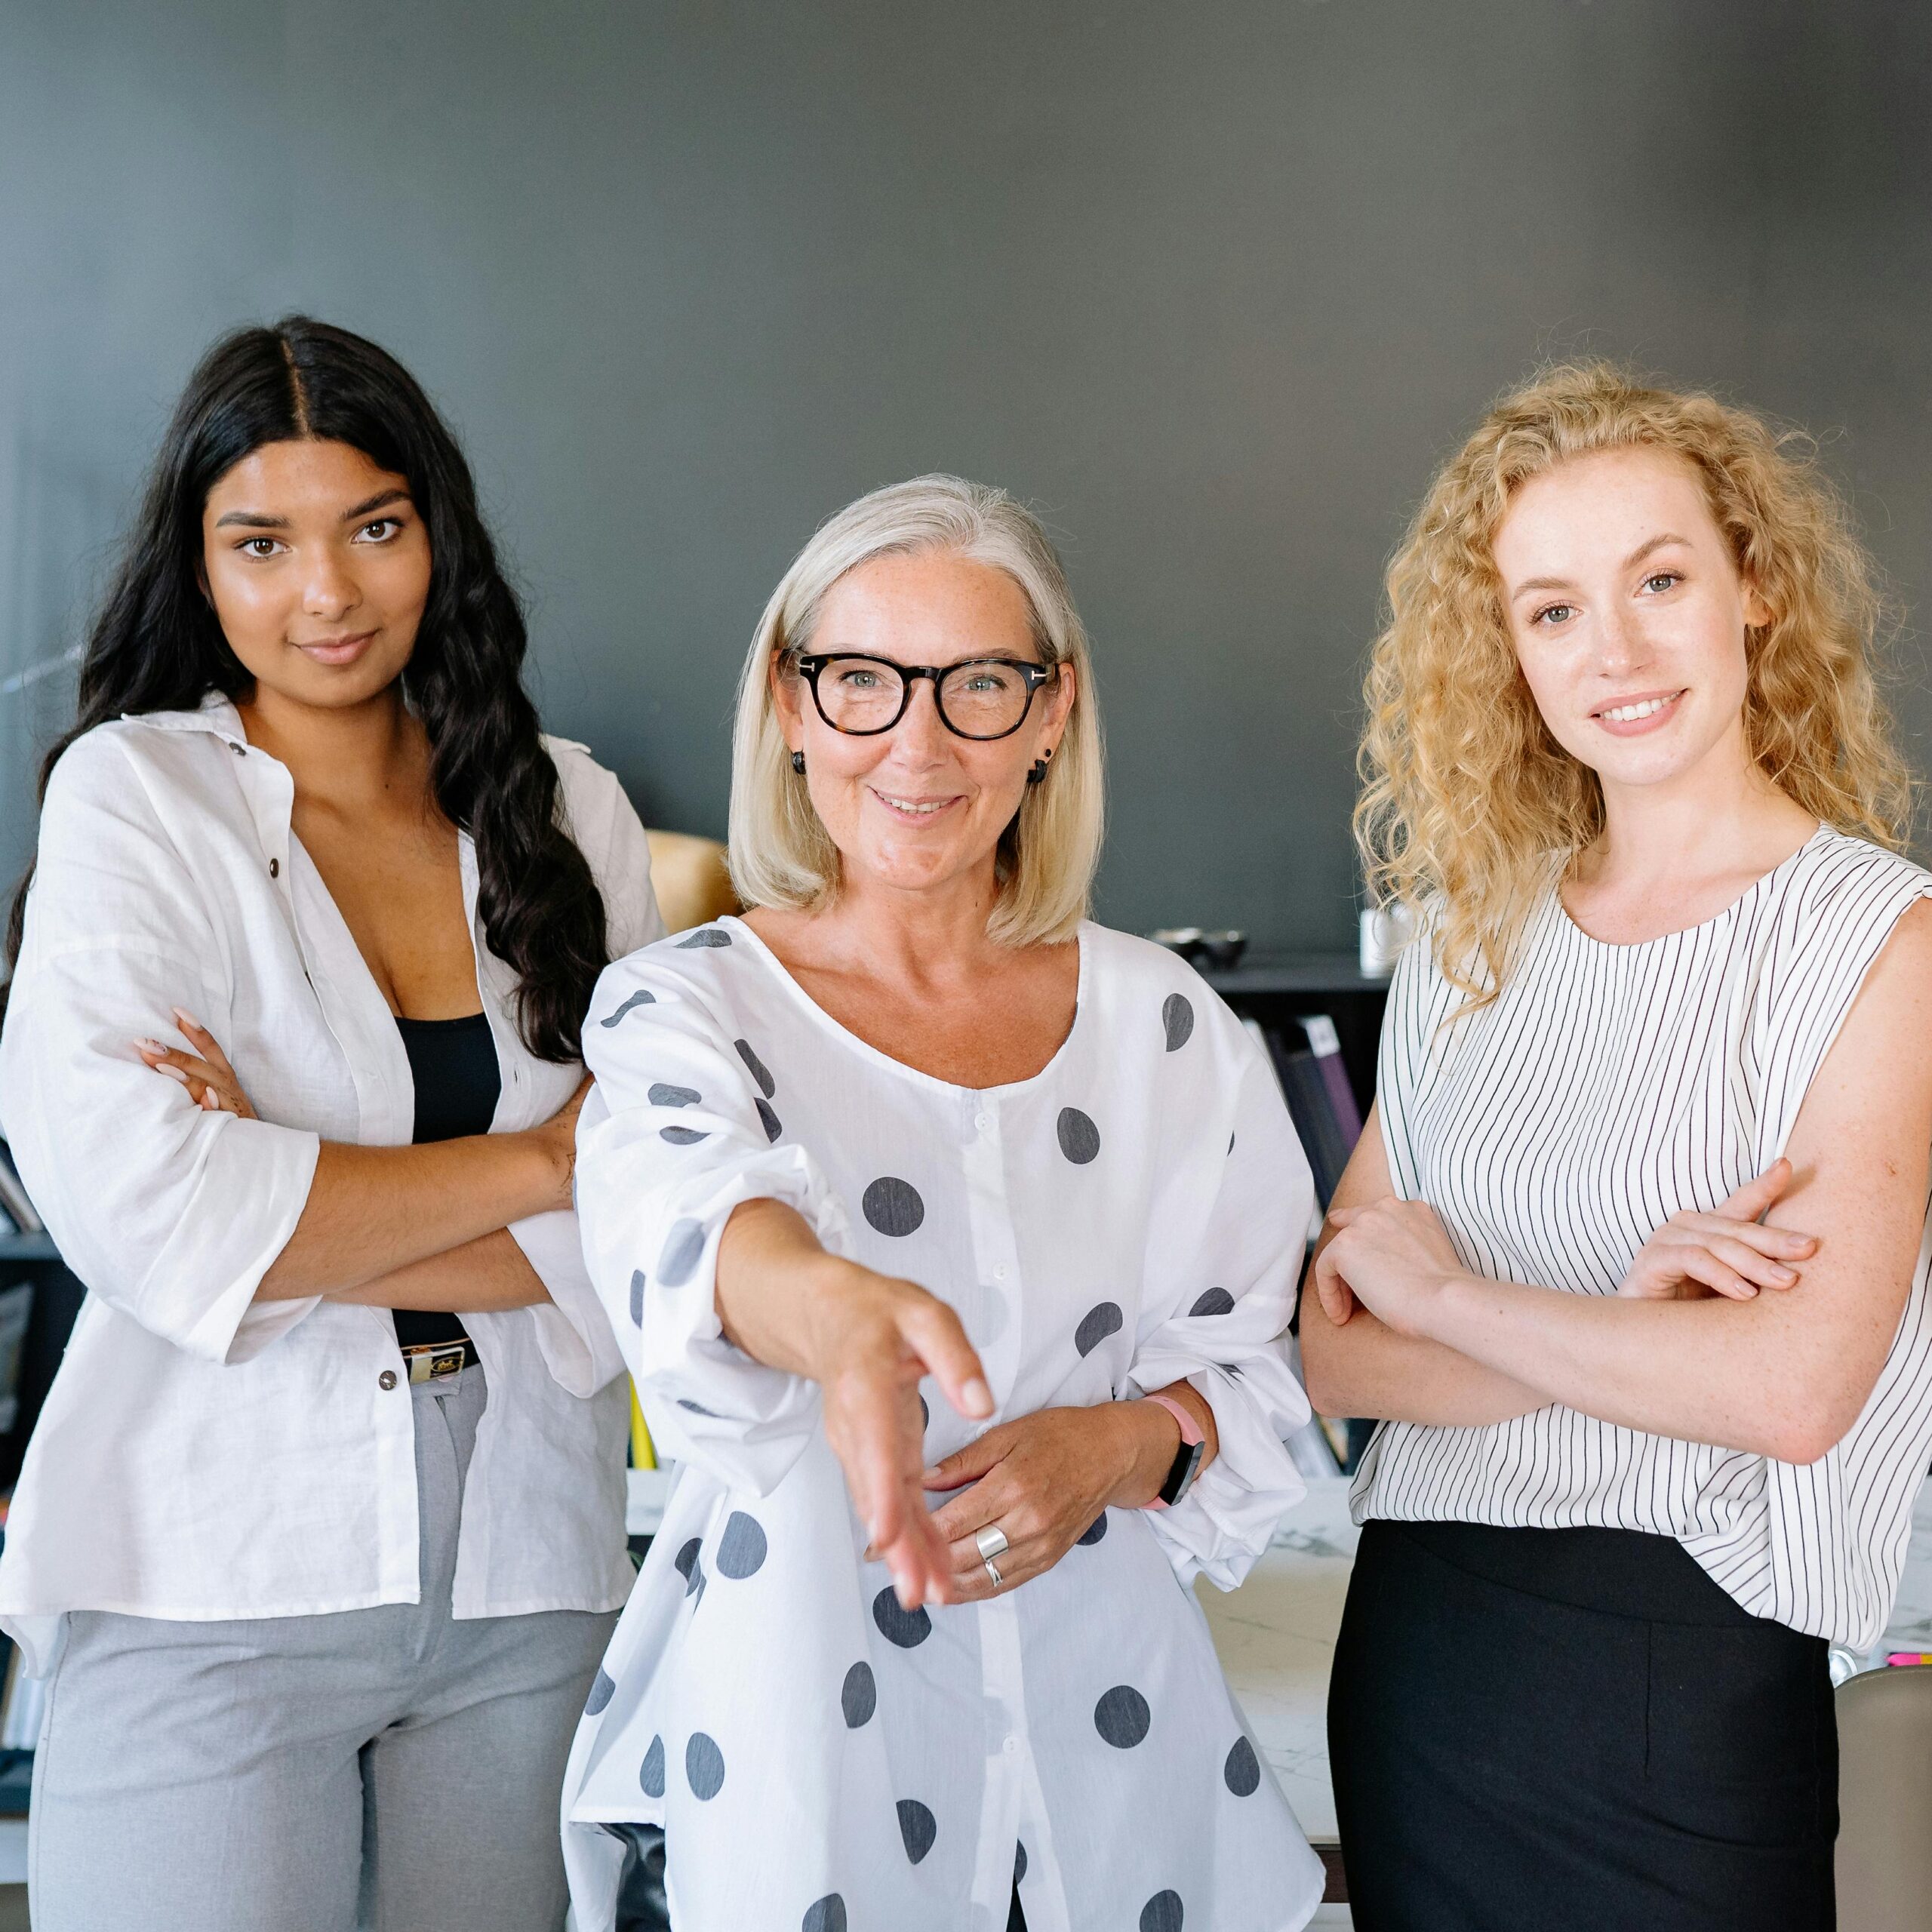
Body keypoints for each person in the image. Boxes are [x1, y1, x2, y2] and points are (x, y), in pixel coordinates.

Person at [559, 475, 1327, 1931]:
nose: (916, 743)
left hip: (1121, 1791)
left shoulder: (1172, 1030)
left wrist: (1118, 1445)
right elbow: (695, 1222)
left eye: (978, 683)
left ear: (1053, 715)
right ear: (791, 705)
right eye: (862, 682)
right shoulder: (683, 1008)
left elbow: (1266, 1368)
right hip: (794, 1782)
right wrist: (841, 1317)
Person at [0, 317, 663, 1932]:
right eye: (261, 541)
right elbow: (145, 1212)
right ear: (198, 566)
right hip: (212, 1560)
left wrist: (285, 1189)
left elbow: (654, 1217)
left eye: (374, 524)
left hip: (529, 1561)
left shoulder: (569, 809)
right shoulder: (136, 798)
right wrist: (533, 1168)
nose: (328, 592)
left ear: (436, 530)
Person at [1303, 363, 1932, 1931]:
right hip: (1422, 1647)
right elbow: (1329, 1353)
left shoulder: (1873, 940)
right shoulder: (1464, 941)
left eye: (1657, 580)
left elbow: (1787, 1394)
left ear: (1754, 590)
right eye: (1551, 609)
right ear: (1505, 654)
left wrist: (1450, 1302)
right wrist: (1633, 1334)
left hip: (1684, 1661)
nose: (1617, 652)